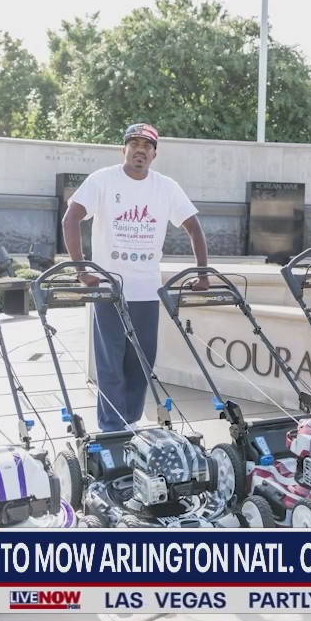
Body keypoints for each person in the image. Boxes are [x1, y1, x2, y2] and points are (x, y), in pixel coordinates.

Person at [61, 122, 209, 432]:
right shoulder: (102, 180)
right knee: (110, 363)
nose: (140, 149)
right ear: (124, 149)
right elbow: (71, 219)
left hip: (146, 291)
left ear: (154, 154)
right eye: (135, 143)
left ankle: (129, 422)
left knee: (141, 363)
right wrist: (81, 270)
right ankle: (112, 428)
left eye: (147, 145)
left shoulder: (166, 186)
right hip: (109, 291)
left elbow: (193, 227)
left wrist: (202, 272)